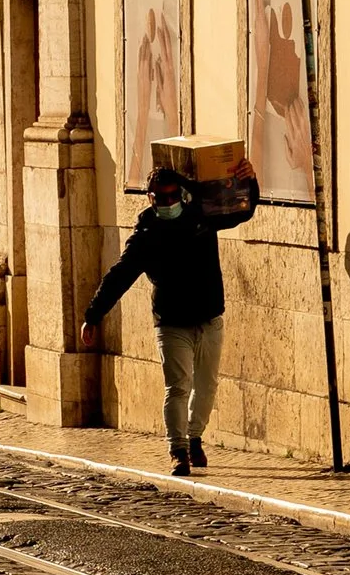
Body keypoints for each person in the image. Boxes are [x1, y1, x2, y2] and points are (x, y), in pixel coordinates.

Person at [78, 161, 260, 476]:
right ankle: (178, 451)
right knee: (178, 386)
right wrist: (93, 315)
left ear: (181, 193)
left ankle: (194, 437)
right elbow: (120, 275)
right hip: (171, 321)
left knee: (206, 387)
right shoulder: (147, 232)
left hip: (209, 316)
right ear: (150, 198)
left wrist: (251, 181)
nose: (167, 203)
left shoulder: (200, 215)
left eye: (172, 195)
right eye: (160, 198)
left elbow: (241, 211)